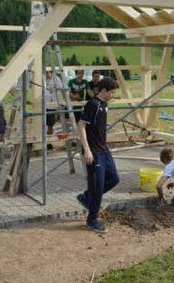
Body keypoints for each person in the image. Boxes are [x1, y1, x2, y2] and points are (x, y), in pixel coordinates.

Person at [75, 77, 119, 234]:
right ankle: (92, 220)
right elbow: (81, 126)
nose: (113, 95)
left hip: (104, 149)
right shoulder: (92, 105)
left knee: (114, 178)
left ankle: (87, 198)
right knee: (98, 186)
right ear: (104, 91)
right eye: (112, 92)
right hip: (93, 151)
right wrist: (86, 149)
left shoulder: (104, 104)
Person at [45, 69, 64, 136]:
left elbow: (60, 88)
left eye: (50, 72)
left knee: (50, 124)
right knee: (42, 124)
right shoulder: (41, 79)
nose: (48, 74)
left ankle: (49, 139)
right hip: (44, 104)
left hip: (53, 105)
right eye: (47, 72)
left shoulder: (56, 79)